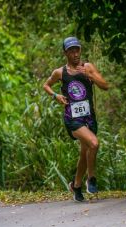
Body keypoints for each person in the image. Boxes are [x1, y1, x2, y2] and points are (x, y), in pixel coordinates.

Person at [43, 36, 109, 202]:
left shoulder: (88, 67)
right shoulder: (60, 72)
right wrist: (55, 96)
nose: (75, 54)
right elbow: (46, 85)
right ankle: (91, 179)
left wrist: (91, 76)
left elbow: (105, 86)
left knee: (85, 153)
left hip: (89, 117)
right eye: (71, 51)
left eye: (77, 50)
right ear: (65, 53)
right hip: (72, 117)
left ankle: (76, 186)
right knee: (94, 143)